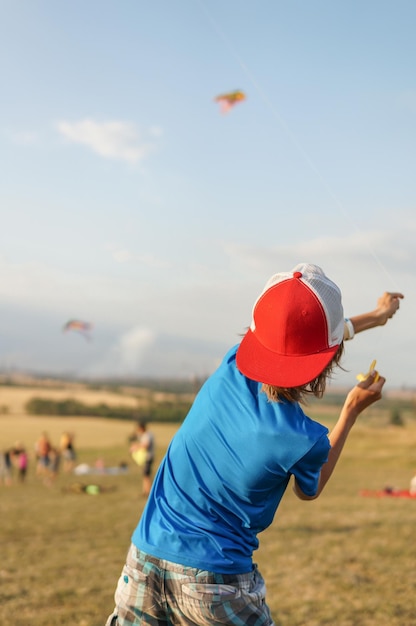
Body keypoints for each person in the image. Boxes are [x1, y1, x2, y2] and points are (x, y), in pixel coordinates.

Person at [105, 263, 403, 626]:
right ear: (330, 360)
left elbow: (292, 340)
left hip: (142, 561)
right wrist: (351, 411)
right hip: (214, 583)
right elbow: (310, 491)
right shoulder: (303, 439)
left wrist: (375, 316)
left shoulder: (232, 363)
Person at [129, 421, 155, 497]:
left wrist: (135, 447)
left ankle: (148, 491)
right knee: (145, 475)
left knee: (147, 475)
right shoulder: (144, 435)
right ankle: (145, 491)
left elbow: (146, 445)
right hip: (146, 458)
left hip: (148, 457)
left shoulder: (147, 435)